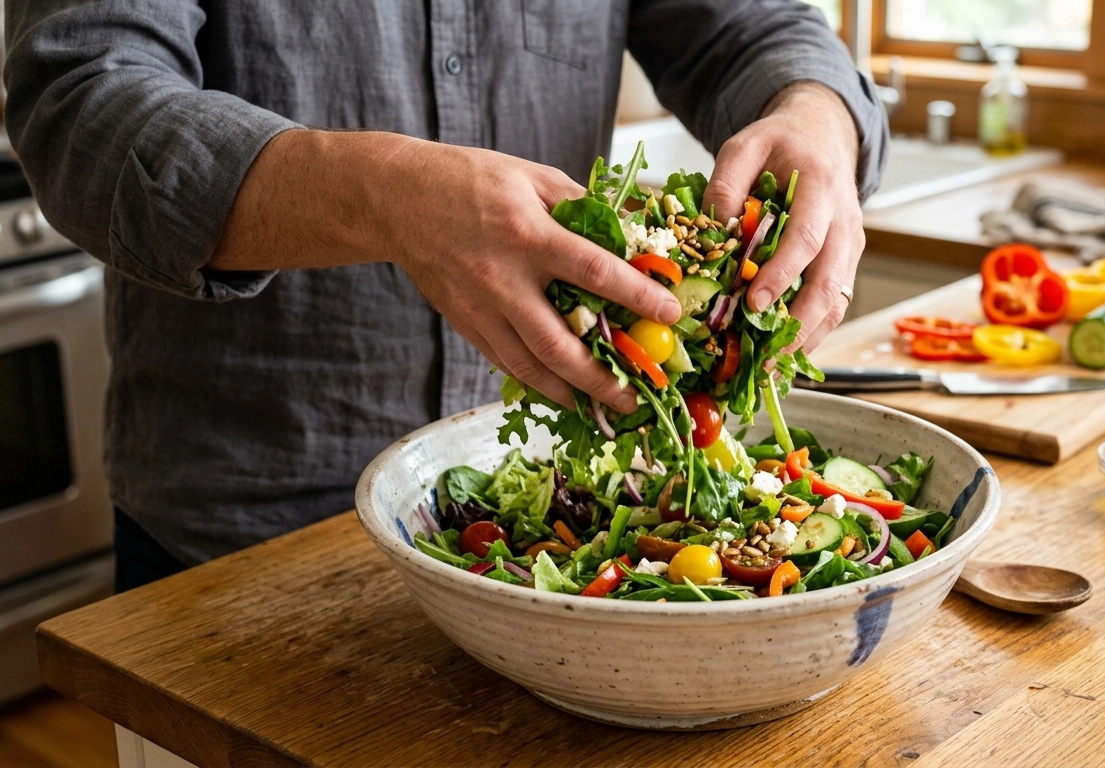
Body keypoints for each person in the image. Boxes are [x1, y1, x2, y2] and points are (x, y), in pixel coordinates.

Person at [4, 1, 888, 592]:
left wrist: (818, 112)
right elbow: (79, 96)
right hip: (241, 540)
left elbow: (747, 26)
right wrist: (381, 192)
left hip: (552, 528)